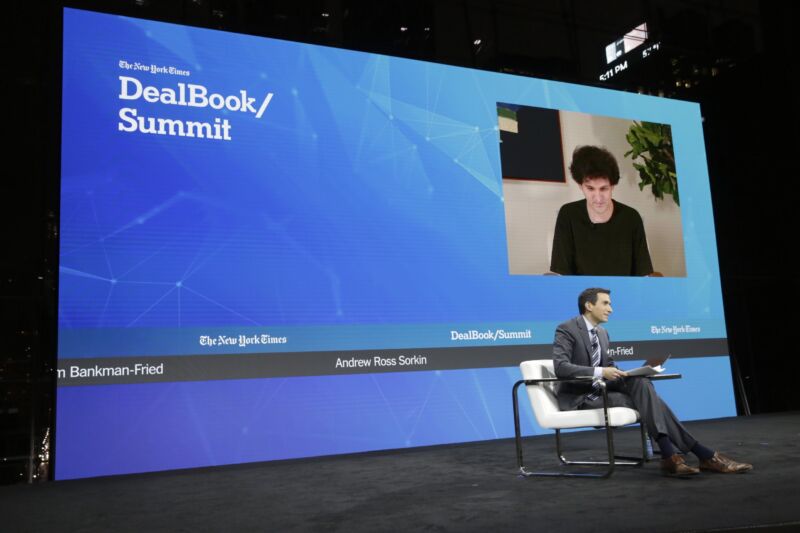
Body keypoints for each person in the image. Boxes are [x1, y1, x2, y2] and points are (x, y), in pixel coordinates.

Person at [552, 287, 752, 476]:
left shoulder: (602, 333)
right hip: (581, 397)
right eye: (605, 303)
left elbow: (609, 364)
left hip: (602, 390)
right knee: (649, 400)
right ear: (589, 305)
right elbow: (561, 367)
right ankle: (699, 455)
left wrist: (628, 374)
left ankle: (672, 456)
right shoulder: (567, 329)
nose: (611, 309)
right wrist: (601, 371)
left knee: (641, 382)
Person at [550, 146, 654, 276]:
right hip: (582, 294)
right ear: (580, 186)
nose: (598, 198)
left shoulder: (631, 217)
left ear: (612, 186)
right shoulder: (568, 215)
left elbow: (642, 274)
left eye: (604, 189)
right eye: (590, 189)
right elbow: (562, 273)